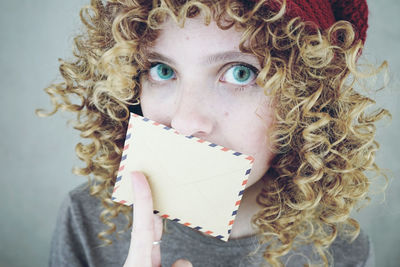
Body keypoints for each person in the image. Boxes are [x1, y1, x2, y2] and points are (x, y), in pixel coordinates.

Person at [40, 0, 390, 266]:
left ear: (307, 101)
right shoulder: (86, 219)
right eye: (162, 70)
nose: (184, 121)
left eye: (240, 73)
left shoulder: (343, 252)